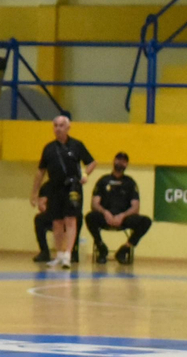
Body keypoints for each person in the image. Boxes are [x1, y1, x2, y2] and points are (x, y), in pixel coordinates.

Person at [30, 114, 96, 270]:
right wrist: (34, 193)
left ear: (68, 127)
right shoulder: (49, 148)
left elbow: (92, 162)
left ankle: (68, 254)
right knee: (57, 221)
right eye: (55, 125)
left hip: (72, 188)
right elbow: (40, 172)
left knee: (71, 219)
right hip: (55, 188)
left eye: (61, 125)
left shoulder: (77, 145)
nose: (58, 128)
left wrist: (85, 175)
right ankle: (59, 254)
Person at [86, 152, 151, 265]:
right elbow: (95, 203)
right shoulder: (103, 180)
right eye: (118, 159)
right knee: (89, 217)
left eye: (123, 161)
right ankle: (101, 248)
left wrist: (123, 215)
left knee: (146, 221)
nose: (120, 162)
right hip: (106, 217)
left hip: (123, 218)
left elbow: (136, 207)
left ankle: (125, 249)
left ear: (126, 164)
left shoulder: (130, 183)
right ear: (113, 161)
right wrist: (105, 212)